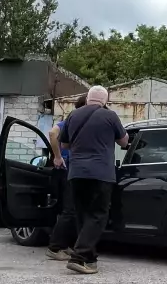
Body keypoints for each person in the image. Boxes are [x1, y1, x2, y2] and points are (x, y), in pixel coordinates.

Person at [60, 85, 128, 274]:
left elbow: (64, 144)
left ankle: (89, 259)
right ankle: (79, 256)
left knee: (83, 215)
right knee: (98, 215)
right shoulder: (110, 116)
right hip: (101, 173)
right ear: (105, 101)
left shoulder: (73, 115)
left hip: (76, 173)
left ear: (88, 98)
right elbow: (124, 141)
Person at [44, 94, 86, 260]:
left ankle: (64, 245)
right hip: (67, 169)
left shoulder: (77, 122)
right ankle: (54, 248)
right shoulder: (70, 121)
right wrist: (58, 156)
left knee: (72, 210)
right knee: (69, 210)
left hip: (72, 170)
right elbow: (52, 133)